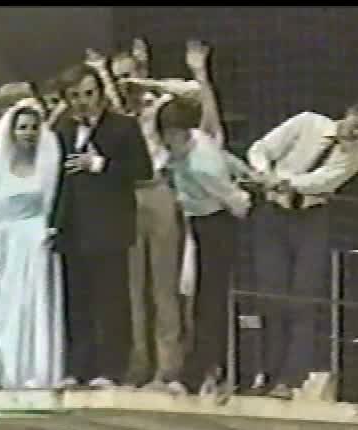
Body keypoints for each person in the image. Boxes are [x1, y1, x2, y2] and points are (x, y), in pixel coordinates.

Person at [245, 101, 358, 399]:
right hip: (273, 214)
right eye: (356, 125)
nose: (355, 134)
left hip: (310, 218)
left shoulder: (357, 155)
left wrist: (285, 182)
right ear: (350, 112)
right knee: (270, 295)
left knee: (303, 299)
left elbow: (323, 181)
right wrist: (264, 174)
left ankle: (291, 379)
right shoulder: (308, 122)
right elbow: (261, 148)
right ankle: (266, 373)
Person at [150, 41, 253, 394]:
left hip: (215, 224)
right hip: (196, 223)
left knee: (210, 301)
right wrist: (200, 73)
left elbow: (236, 201)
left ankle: (197, 374)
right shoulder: (194, 142)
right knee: (194, 296)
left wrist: (245, 190)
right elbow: (212, 122)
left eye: (171, 136)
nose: (168, 143)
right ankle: (205, 369)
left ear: (179, 133)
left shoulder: (200, 164)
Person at [83, 47, 186, 393]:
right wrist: (102, 71)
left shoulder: (162, 104)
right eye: (119, 77)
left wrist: (148, 82)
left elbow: (193, 94)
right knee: (131, 287)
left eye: (130, 75)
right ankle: (136, 363)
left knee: (163, 285)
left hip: (158, 190)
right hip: (127, 195)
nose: (125, 83)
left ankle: (168, 369)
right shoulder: (117, 116)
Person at [50, 64, 150, 388]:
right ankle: (78, 368)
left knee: (111, 301)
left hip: (109, 227)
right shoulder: (62, 131)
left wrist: (101, 164)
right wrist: (54, 224)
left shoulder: (123, 127)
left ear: (100, 94)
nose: (83, 102)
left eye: (89, 94)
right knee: (76, 303)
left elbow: (143, 169)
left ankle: (111, 369)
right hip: (73, 228)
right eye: (75, 96)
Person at [0, 97, 66, 389]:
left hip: (36, 239)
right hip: (8, 242)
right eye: (22, 127)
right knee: (4, 306)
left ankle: (36, 370)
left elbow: (50, 201)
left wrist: (47, 232)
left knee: (33, 304)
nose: (28, 133)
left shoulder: (46, 167)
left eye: (33, 127)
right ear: (12, 131)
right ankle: (8, 371)